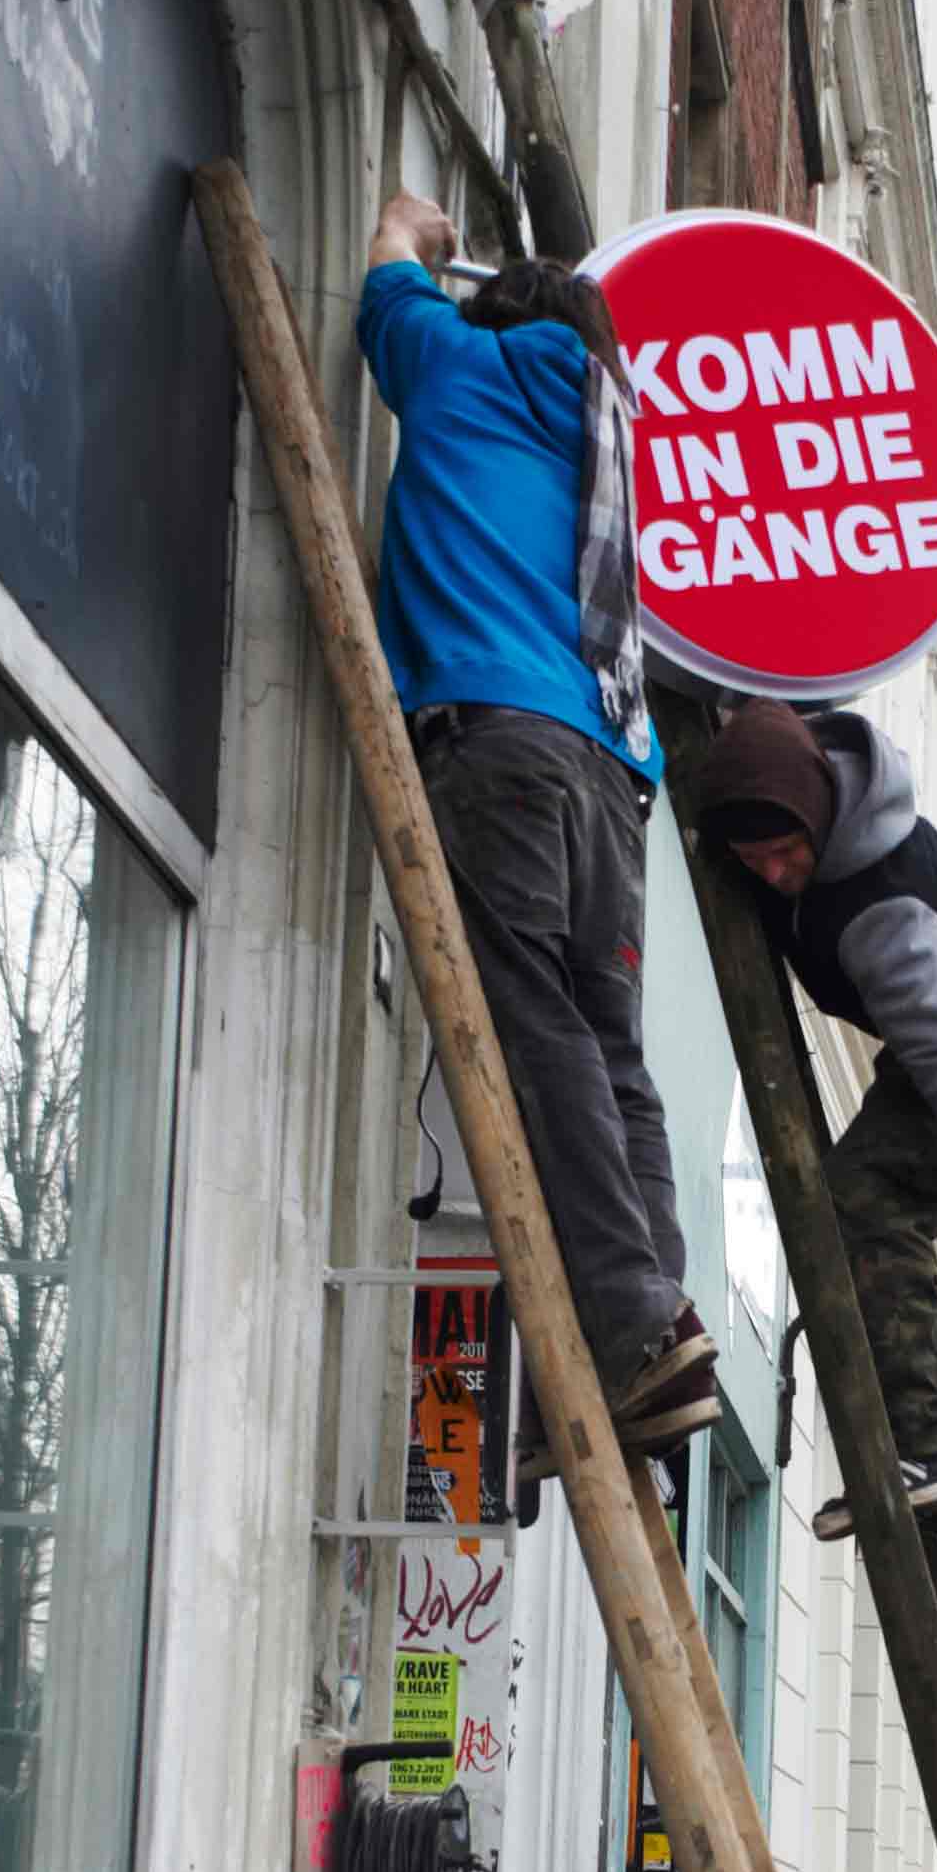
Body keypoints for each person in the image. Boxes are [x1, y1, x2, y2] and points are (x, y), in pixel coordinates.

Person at [356, 195, 715, 1482]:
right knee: (610, 1050)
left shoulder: (462, 366)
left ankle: (632, 1327)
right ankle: (656, 1324)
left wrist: (408, 226)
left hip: (498, 741)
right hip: (610, 771)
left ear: (498, 317)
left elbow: (384, 295)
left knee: (537, 1024)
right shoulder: (613, 424)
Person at [691, 702, 937, 1538]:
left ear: (818, 817)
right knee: (866, 1198)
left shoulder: (881, 910)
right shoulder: (801, 780)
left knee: (866, 1197)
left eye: (786, 851)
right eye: (752, 860)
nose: (773, 873)